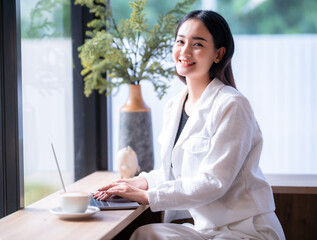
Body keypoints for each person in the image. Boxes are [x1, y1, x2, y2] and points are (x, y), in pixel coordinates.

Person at [94, 10, 285, 240]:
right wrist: (138, 182)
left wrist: (148, 196)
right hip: (207, 229)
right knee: (145, 234)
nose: (184, 51)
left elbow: (214, 182)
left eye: (197, 44)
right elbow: (175, 173)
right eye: (180, 41)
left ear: (218, 54)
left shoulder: (233, 105)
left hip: (246, 230)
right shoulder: (174, 105)